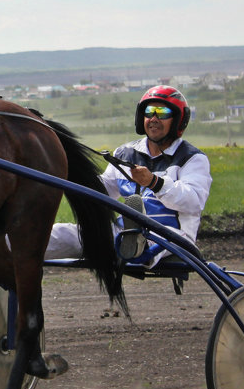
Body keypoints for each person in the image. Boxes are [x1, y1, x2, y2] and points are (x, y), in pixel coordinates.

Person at [46, 85, 212, 266]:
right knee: (61, 234)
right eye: (149, 112)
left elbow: (193, 201)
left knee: (152, 239)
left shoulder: (192, 159)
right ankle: (11, 242)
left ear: (179, 120)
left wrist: (154, 183)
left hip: (173, 235)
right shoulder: (125, 153)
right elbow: (103, 192)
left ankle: (138, 242)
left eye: (162, 112)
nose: (154, 118)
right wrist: (67, 175)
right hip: (122, 232)